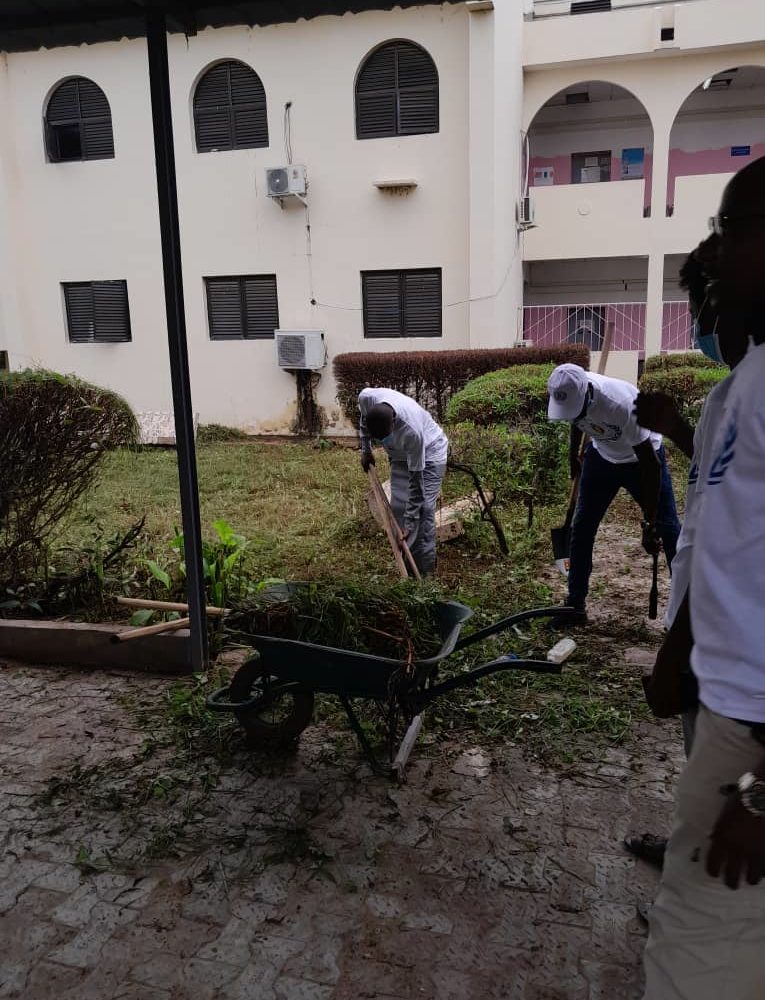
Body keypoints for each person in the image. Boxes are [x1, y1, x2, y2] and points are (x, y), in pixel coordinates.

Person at [641, 156, 765, 1000]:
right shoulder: (750, 384)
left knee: (694, 965)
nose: (714, 261)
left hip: (753, 744)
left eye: (728, 232)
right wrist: (679, 643)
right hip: (728, 708)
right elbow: (725, 537)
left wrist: (759, 800)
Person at [625, 237, 749, 870]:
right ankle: (688, 851)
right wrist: (676, 429)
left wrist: (677, 651)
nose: (700, 326)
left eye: (707, 309)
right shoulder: (731, 396)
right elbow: (715, 486)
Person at [546, 364, 681, 624]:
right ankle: (575, 607)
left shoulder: (621, 405)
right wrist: (573, 454)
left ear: (587, 393)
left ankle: (688, 614)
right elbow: (576, 420)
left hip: (642, 460)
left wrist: (649, 522)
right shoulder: (566, 391)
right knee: (581, 528)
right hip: (602, 456)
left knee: (670, 530)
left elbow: (650, 465)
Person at [358, 387, 448, 576]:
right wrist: (366, 450)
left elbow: (416, 485)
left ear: (394, 421)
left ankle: (423, 572)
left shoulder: (411, 431)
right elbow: (363, 425)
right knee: (399, 507)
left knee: (422, 511)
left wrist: (410, 521)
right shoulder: (366, 399)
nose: (383, 441)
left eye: (385, 436)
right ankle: (407, 563)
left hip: (430, 454)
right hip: (399, 455)